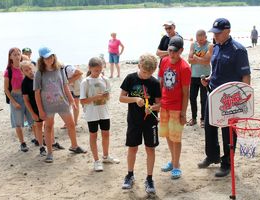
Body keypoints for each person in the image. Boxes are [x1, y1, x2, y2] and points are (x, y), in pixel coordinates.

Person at [198, 18, 251, 177]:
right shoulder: (215, 47)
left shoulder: (238, 50)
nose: (215, 36)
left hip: (230, 99)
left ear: (227, 31)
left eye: (218, 33)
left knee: (228, 132)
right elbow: (216, 70)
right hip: (213, 92)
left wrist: (243, 101)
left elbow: (245, 76)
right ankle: (212, 156)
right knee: (209, 126)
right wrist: (208, 79)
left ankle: (227, 163)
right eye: (213, 33)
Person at [34, 47, 86, 163]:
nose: (49, 59)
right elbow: (37, 93)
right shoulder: (39, 73)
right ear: (42, 59)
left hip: (62, 103)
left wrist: (72, 100)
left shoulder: (60, 69)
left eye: (51, 56)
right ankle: (50, 153)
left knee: (71, 124)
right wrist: (40, 110)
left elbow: (65, 86)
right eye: (46, 57)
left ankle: (74, 146)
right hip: (48, 106)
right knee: (48, 127)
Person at [120, 53, 161, 194]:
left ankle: (149, 178)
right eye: (144, 72)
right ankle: (129, 175)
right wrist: (135, 99)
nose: (146, 75)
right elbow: (121, 98)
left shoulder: (154, 83)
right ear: (139, 66)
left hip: (150, 122)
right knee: (132, 148)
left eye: (149, 73)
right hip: (134, 121)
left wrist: (153, 108)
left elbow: (159, 104)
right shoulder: (130, 78)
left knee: (150, 149)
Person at [159, 36, 191, 179]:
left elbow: (186, 93)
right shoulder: (164, 61)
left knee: (176, 138)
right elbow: (160, 82)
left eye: (175, 51)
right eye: (170, 50)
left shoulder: (184, 67)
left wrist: (183, 113)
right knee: (167, 135)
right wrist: (158, 102)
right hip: (164, 105)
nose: (172, 54)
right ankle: (173, 161)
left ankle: (177, 166)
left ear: (181, 51)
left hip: (176, 108)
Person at [80, 57, 119, 171]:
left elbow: (108, 95)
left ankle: (106, 156)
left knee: (106, 134)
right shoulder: (85, 82)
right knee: (93, 135)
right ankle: (96, 161)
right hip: (91, 113)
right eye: (96, 70)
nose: (98, 73)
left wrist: (106, 96)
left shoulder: (105, 79)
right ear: (90, 68)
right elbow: (82, 101)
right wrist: (95, 97)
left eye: (100, 70)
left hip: (104, 112)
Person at [4, 47, 33, 152]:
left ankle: (38, 139)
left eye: (18, 54)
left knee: (32, 120)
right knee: (18, 122)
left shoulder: (24, 67)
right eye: (14, 54)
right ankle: (22, 143)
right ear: (10, 57)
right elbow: (6, 89)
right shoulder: (8, 71)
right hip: (16, 97)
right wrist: (14, 102)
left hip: (27, 96)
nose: (17, 56)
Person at [187, 29, 213, 128]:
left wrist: (196, 58)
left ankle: (203, 119)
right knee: (192, 98)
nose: (200, 42)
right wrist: (200, 59)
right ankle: (194, 118)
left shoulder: (210, 45)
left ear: (205, 38)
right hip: (193, 75)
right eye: (198, 40)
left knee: (203, 99)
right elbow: (189, 60)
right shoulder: (193, 45)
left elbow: (207, 61)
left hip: (205, 76)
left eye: (202, 40)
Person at [21, 60, 47, 156]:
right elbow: (26, 100)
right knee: (38, 127)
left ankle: (51, 143)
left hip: (46, 106)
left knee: (48, 125)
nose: (29, 71)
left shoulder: (39, 77)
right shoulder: (24, 83)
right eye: (26, 70)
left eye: (30, 69)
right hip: (35, 108)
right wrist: (32, 113)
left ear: (34, 68)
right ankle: (41, 147)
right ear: (22, 72)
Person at [61, 65, 83, 129]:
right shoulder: (57, 72)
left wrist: (68, 81)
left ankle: (75, 122)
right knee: (67, 105)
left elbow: (80, 73)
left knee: (75, 105)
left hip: (76, 88)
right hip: (68, 89)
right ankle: (68, 122)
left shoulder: (68, 68)